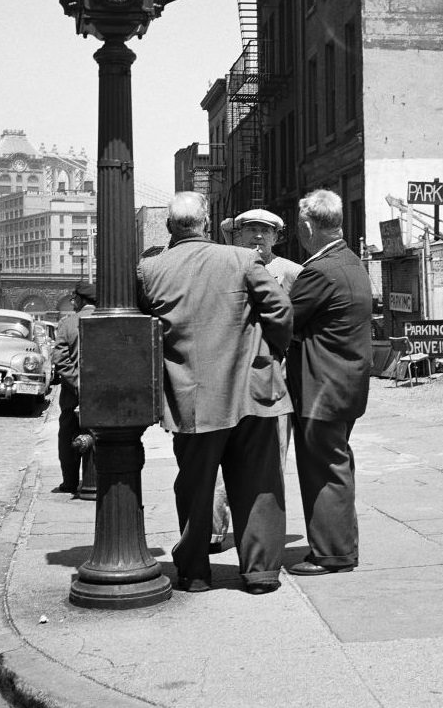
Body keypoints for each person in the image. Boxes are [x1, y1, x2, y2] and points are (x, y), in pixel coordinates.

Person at [137, 191, 293, 595]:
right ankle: (260, 572)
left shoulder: (150, 270)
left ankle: (194, 573)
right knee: (258, 483)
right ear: (206, 221)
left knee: (194, 486)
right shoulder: (241, 259)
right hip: (252, 392)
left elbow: (140, 333)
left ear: (171, 227)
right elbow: (280, 311)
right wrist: (270, 353)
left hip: (191, 397)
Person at [286, 189, 373, 576]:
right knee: (336, 463)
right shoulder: (351, 262)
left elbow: (283, 320)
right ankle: (338, 546)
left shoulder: (319, 271)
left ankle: (332, 553)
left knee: (324, 469)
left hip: (321, 387)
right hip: (344, 384)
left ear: (307, 226)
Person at [211, 207, 302, 551]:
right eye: (250, 230)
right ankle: (214, 531)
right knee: (220, 459)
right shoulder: (226, 266)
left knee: (271, 460)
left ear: (278, 236)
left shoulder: (291, 272)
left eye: (266, 230)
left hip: (272, 381)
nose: (258, 236)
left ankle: (262, 536)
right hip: (228, 379)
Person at [50, 282, 97, 496]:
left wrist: (78, 383)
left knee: (68, 439)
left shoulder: (68, 324)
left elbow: (60, 360)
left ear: (80, 300)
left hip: (73, 397)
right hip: (103, 398)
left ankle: (69, 482)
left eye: (74, 299)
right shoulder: (109, 319)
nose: (73, 303)